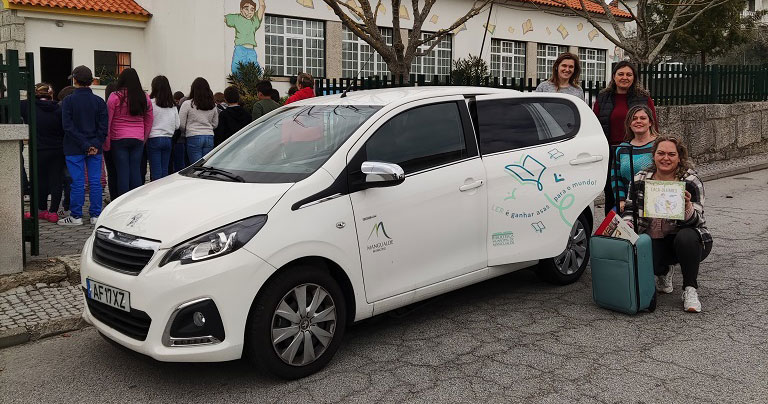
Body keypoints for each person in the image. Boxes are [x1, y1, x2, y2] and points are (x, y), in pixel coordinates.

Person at [622, 136, 712, 313]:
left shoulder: (691, 181)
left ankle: (690, 289)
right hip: (655, 239)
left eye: (671, 154)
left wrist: (687, 207)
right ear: (653, 155)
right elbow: (630, 210)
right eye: (661, 153)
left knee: (686, 236)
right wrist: (627, 226)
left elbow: (698, 221)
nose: (665, 158)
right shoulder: (641, 178)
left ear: (679, 157)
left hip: (689, 241)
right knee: (642, 253)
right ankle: (663, 271)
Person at [593, 61, 658, 215]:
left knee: (644, 189)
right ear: (614, 77)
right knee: (613, 192)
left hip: (639, 149)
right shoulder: (603, 98)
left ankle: (645, 226)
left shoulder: (643, 98)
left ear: (634, 78)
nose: (625, 77)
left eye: (629, 74)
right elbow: (596, 123)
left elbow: (653, 123)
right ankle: (613, 229)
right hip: (611, 151)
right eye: (620, 74)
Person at [59, 65, 108, 226]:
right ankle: (95, 215)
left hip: (74, 146)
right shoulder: (99, 101)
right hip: (95, 147)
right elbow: (103, 127)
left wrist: (84, 144)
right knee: (95, 182)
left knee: (78, 182)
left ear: (75, 80)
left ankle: (76, 216)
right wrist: (93, 144)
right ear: (91, 81)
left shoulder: (68, 101)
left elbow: (68, 126)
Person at [20, 83, 64, 223]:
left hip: (38, 149)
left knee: (39, 180)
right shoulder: (58, 108)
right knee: (56, 180)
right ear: (50, 94)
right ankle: (53, 212)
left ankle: (40, 209)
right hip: (57, 149)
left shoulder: (28, 107)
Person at [106, 68, 153, 197]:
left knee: (122, 172)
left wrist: (107, 141)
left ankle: (122, 201)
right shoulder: (144, 97)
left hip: (118, 138)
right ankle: (135, 200)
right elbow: (149, 120)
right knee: (135, 171)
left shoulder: (115, 96)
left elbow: (108, 120)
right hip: (138, 137)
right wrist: (144, 138)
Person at [612, 105, 659, 212]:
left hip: (655, 202)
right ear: (629, 123)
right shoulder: (621, 148)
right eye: (634, 118)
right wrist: (621, 200)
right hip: (628, 204)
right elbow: (615, 177)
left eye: (643, 118)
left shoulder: (659, 145)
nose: (638, 121)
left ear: (650, 122)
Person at [180, 77, 219, 163]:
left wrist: (188, 130)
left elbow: (181, 124)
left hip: (193, 136)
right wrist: (207, 127)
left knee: (196, 167)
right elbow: (215, 124)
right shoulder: (213, 105)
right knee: (205, 166)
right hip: (209, 136)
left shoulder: (187, 104)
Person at [148, 75, 180, 180]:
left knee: (156, 171)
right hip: (168, 138)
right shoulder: (172, 105)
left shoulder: (151, 103)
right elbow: (177, 125)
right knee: (165, 170)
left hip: (154, 138)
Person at [225, 0, 266, 74]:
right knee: (235, 69)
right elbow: (222, 18)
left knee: (255, 72)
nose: (249, 12)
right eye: (246, 9)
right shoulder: (236, 18)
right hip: (240, 49)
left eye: (252, 10)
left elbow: (262, 7)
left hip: (251, 51)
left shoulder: (255, 21)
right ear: (241, 10)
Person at [102, 82, 119, 202]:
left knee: (112, 172)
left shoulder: (107, 105)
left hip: (110, 141)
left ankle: (114, 197)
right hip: (121, 140)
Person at [170, 91, 186, 173]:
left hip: (177, 138)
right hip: (181, 138)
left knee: (177, 163)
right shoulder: (179, 107)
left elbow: (178, 125)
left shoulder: (175, 107)